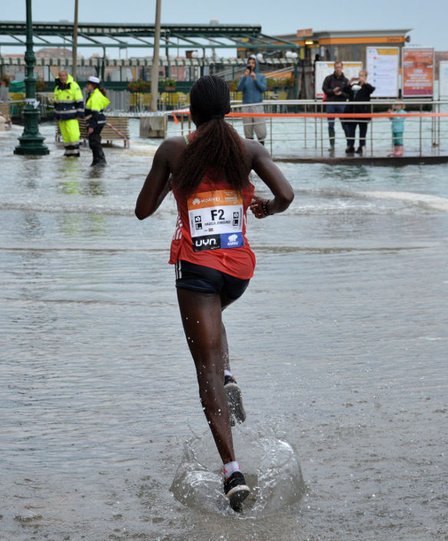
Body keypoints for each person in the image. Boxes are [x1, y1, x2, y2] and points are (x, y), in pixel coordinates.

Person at [135, 75, 294, 511]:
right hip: (239, 270)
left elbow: (142, 210)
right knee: (214, 321)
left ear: (191, 110)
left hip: (197, 269)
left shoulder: (173, 150)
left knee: (203, 366)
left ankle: (233, 473)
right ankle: (229, 374)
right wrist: (265, 208)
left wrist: (174, 177)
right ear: (227, 109)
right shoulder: (247, 149)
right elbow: (286, 194)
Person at [236, 54, 268, 145]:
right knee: (247, 130)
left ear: (256, 64)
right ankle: (250, 151)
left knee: (260, 129)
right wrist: (244, 78)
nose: (251, 65)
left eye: (253, 63)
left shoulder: (261, 76)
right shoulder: (244, 77)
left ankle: (261, 148)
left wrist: (255, 79)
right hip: (246, 105)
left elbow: (263, 89)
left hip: (257, 105)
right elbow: (239, 88)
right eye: (249, 63)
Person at [53, 70, 84, 157]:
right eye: (60, 76)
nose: (62, 77)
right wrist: (56, 115)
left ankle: (75, 152)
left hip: (71, 116)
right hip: (61, 117)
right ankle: (68, 152)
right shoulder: (57, 88)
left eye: (64, 75)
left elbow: (80, 101)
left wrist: (79, 114)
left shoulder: (73, 86)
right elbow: (56, 103)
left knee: (73, 134)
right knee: (65, 136)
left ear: (67, 76)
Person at [345, 69, 375, 154]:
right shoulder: (354, 86)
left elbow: (372, 90)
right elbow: (346, 89)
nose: (360, 77)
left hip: (363, 112)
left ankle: (362, 146)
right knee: (351, 130)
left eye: (362, 76)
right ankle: (350, 146)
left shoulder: (367, 87)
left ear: (365, 77)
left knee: (363, 131)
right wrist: (350, 81)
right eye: (359, 75)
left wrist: (364, 83)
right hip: (352, 112)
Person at [322, 60, 350, 152]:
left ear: (342, 68)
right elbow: (324, 89)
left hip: (341, 104)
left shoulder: (346, 81)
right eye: (336, 67)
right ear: (334, 68)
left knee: (345, 125)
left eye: (339, 67)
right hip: (331, 103)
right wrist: (333, 91)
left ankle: (349, 144)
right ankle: (332, 145)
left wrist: (341, 93)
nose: (338, 69)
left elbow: (348, 94)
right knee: (330, 125)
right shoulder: (328, 78)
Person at [83, 76, 110, 167]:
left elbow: (95, 113)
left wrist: (91, 126)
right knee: (94, 142)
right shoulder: (94, 95)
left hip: (96, 122)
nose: (86, 86)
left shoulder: (95, 96)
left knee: (94, 142)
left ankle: (100, 161)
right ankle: (96, 161)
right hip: (97, 121)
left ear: (93, 85)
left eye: (88, 84)